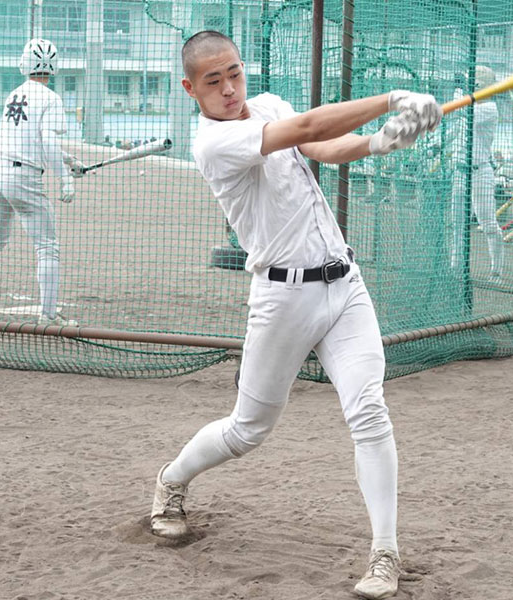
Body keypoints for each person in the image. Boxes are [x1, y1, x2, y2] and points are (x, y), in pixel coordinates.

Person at [149, 31, 441, 600]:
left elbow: (322, 146)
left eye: (234, 72)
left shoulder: (272, 105)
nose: (230, 88)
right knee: (247, 431)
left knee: (369, 411)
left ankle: (385, 552)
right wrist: (391, 100)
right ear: (191, 89)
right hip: (282, 299)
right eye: (214, 81)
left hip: (344, 284)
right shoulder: (213, 142)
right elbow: (307, 129)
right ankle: (172, 479)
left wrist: (381, 141)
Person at [0, 38, 85, 326]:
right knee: (47, 246)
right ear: (53, 66)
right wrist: (65, 179)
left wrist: (68, 161)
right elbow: (48, 141)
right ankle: (49, 317)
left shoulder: (14, 94)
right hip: (23, 178)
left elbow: (32, 141)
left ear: (26, 62)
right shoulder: (50, 98)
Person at [450, 65, 505, 276]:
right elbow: (457, 128)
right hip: (460, 171)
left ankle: (496, 270)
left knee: (488, 223)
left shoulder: (489, 109)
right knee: (457, 223)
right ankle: (456, 265)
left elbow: (461, 109)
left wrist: (458, 90)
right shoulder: (470, 107)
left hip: (481, 172)